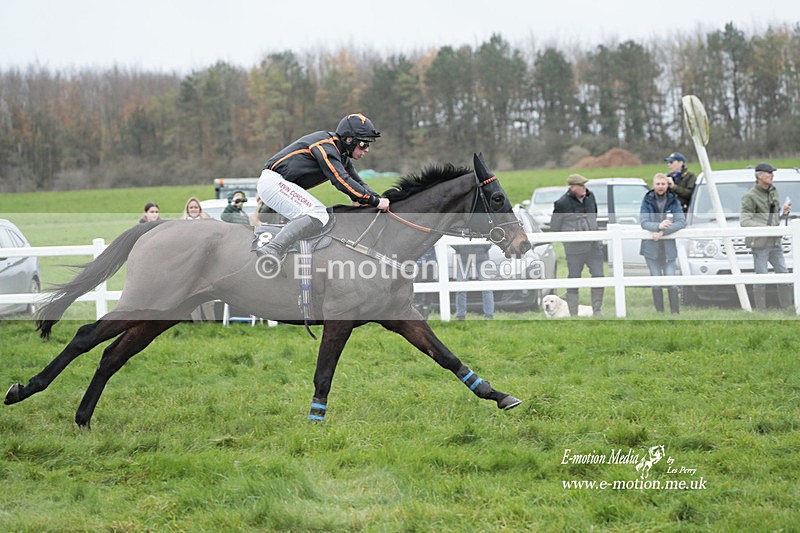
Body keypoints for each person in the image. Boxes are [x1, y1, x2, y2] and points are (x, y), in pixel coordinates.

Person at [256, 113, 389, 274]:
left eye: (369, 144)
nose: (366, 149)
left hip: (280, 184)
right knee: (318, 213)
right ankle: (273, 249)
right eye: (363, 144)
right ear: (348, 140)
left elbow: (359, 183)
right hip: (274, 182)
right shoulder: (325, 145)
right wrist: (374, 201)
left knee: (317, 215)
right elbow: (341, 180)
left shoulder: (342, 156)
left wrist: (380, 199)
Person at [740, 162, 792, 311]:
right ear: (759, 175)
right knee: (761, 277)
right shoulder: (749, 196)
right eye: (769, 173)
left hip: (775, 241)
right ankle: (761, 312)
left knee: (784, 274)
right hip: (760, 243)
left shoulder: (774, 191)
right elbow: (744, 221)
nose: (772, 175)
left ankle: (788, 310)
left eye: (772, 173)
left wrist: (783, 212)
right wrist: (766, 229)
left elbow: (773, 216)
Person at [550, 174, 604, 316]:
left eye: (584, 185)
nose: (584, 188)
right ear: (572, 187)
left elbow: (594, 217)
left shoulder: (590, 197)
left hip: (594, 246)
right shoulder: (561, 203)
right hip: (574, 249)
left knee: (599, 276)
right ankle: (573, 314)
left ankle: (597, 311)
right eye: (581, 186)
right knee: (574, 277)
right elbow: (555, 226)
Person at [640, 173, 686, 313]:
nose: (660, 187)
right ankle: (660, 313)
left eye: (663, 184)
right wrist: (658, 226)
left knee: (671, 282)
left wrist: (662, 232)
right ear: (653, 185)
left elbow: (681, 221)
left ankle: (675, 314)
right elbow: (644, 222)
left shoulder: (674, 201)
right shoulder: (647, 200)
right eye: (658, 184)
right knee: (656, 283)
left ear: (667, 185)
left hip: (668, 248)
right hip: (651, 248)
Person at [452, 243, 495, 320]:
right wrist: (460, 248)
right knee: (460, 288)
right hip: (463, 257)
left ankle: (489, 315)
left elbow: (488, 234)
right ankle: (460, 316)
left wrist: (484, 246)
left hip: (481, 256)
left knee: (487, 287)